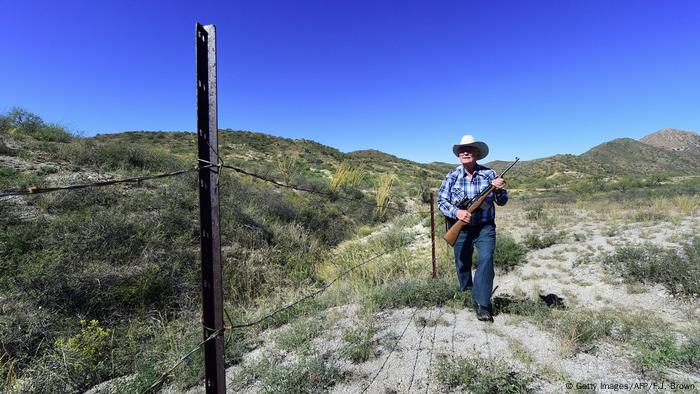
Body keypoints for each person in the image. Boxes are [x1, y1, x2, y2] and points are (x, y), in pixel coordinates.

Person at [437, 135, 508, 322]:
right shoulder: (451, 176)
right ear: (459, 154)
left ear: (477, 153)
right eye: (462, 150)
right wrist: (456, 213)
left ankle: (482, 304)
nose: (465, 152)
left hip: (485, 228)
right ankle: (466, 291)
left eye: (469, 149)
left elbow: (502, 201)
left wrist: (499, 190)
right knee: (462, 263)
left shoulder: (490, 175)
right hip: (460, 228)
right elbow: (441, 201)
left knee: (486, 260)